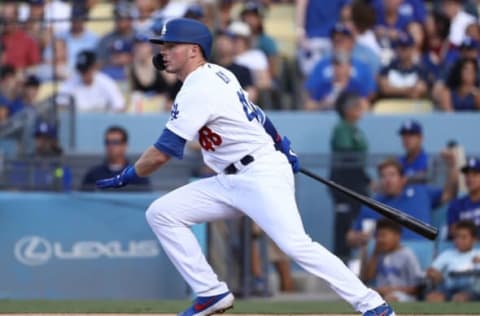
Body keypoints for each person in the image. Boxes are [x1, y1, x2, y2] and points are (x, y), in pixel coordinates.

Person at [95, 18, 395, 316]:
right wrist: (280, 141)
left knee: (297, 246)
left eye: (171, 46)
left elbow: (163, 152)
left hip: (259, 174)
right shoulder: (218, 74)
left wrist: (129, 174)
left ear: (194, 50)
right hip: (230, 179)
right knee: (162, 213)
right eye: (163, 45)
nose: (163, 52)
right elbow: (259, 115)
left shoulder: (199, 87)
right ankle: (211, 293)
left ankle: (373, 305)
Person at [347, 157, 457, 246]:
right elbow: (350, 238)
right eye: (383, 176)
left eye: (392, 175)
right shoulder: (373, 204)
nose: (387, 180)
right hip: (386, 261)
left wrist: (452, 167)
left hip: (421, 254)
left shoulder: (421, 192)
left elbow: (448, 195)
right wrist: (359, 237)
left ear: (403, 178)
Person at [329, 91, 370, 261]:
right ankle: (342, 260)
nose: (360, 109)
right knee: (344, 224)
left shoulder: (354, 129)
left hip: (356, 182)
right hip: (345, 183)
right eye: (356, 106)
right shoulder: (342, 128)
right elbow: (348, 157)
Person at [360, 219, 423, 302]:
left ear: (397, 236)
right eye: (377, 236)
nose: (380, 240)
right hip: (379, 294)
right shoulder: (378, 253)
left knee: (390, 298)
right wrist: (375, 253)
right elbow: (367, 277)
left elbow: (417, 288)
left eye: (383, 236)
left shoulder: (407, 255)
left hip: (403, 296)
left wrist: (391, 290)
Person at [426, 220, 480, 302]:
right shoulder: (447, 254)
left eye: (463, 237)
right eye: (457, 237)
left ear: (474, 239)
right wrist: (435, 275)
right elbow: (431, 271)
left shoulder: (478, 254)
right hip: (447, 290)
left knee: (461, 298)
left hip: (472, 292)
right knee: (432, 298)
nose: (459, 240)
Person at [82, 126, 150, 191]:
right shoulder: (93, 174)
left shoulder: (137, 175)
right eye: (107, 142)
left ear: (125, 145)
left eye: (115, 142)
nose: (110, 146)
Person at [59, 50, 125, 112]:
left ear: (95, 67)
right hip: (78, 121)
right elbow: (60, 105)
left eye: (87, 70)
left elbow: (120, 106)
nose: (84, 74)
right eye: (81, 71)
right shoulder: (71, 82)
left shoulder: (106, 82)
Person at [377, 33, 428, 100]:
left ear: (412, 49)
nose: (401, 51)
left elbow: (419, 91)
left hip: (412, 107)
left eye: (405, 48)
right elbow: (385, 89)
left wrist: (393, 89)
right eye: (399, 47)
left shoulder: (420, 70)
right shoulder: (388, 68)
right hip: (390, 106)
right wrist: (408, 90)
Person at [0, 2, 41, 71]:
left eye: (10, 16)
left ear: (17, 17)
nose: (6, 20)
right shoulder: (1, 39)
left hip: (20, 79)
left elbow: (36, 67)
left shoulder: (28, 41)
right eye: (4, 16)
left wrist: (22, 72)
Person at [447, 157, 480, 238]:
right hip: (464, 249)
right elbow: (453, 231)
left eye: (474, 175)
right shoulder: (456, 204)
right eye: (467, 175)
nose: (470, 178)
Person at [96, 1, 136, 68]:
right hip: (109, 76)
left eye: (122, 17)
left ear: (130, 18)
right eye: (117, 16)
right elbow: (98, 63)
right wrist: (113, 61)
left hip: (134, 76)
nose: (118, 19)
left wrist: (131, 59)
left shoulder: (139, 37)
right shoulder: (106, 39)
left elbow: (147, 61)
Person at [397, 119, 429, 184]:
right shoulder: (397, 162)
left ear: (421, 138)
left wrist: (407, 179)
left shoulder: (429, 161)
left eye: (411, 135)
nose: (406, 139)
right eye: (404, 135)